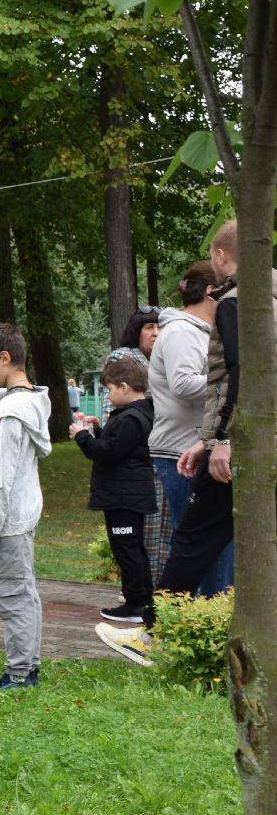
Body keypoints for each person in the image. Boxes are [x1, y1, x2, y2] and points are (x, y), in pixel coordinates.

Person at [98, 220, 271, 667]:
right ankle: (221, 633)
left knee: (193, 537)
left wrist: (224, 440)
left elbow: (240, 375)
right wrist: (207, 439)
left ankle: (155, 637)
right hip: (248, 443)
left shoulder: (238, 303)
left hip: (243, 444)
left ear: (219, 255)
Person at [0, 323, 51, 691]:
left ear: (5, 358)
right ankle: (28, 666)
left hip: (8, 522)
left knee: (12, 597)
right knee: (25, 592)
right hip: (23, 514)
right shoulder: (32, 399)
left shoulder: (9, 414)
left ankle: (20, 674)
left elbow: (2, 477)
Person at [147, 261, 221, 592]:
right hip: (180, 452)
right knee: (194, 543)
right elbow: (183, 384)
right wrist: (231, 380)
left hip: (196, 447)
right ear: (209, 291)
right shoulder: (181, 331)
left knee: (207, 542)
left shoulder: (199, 331)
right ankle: (190, 620)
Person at [72, 358, 156, 627]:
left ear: (124, 387)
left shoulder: (131, 418)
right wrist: (96, 430)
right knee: (132, 549)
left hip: (125, 496)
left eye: (109, 390)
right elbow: (115, 446)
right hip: (127, 494)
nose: (108, 396)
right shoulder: (135, 415)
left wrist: (82, 435)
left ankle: (135, 603)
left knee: (127, 550)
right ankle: (142, 599)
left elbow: (107, 452)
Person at [99, 309, 160, 423]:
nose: (156, 333)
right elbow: (110, 404)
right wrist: (108, 432)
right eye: (149, 327)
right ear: (137, 332)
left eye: (160, 327)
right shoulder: (122, 356)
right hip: (130, 429)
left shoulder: (166, 358)